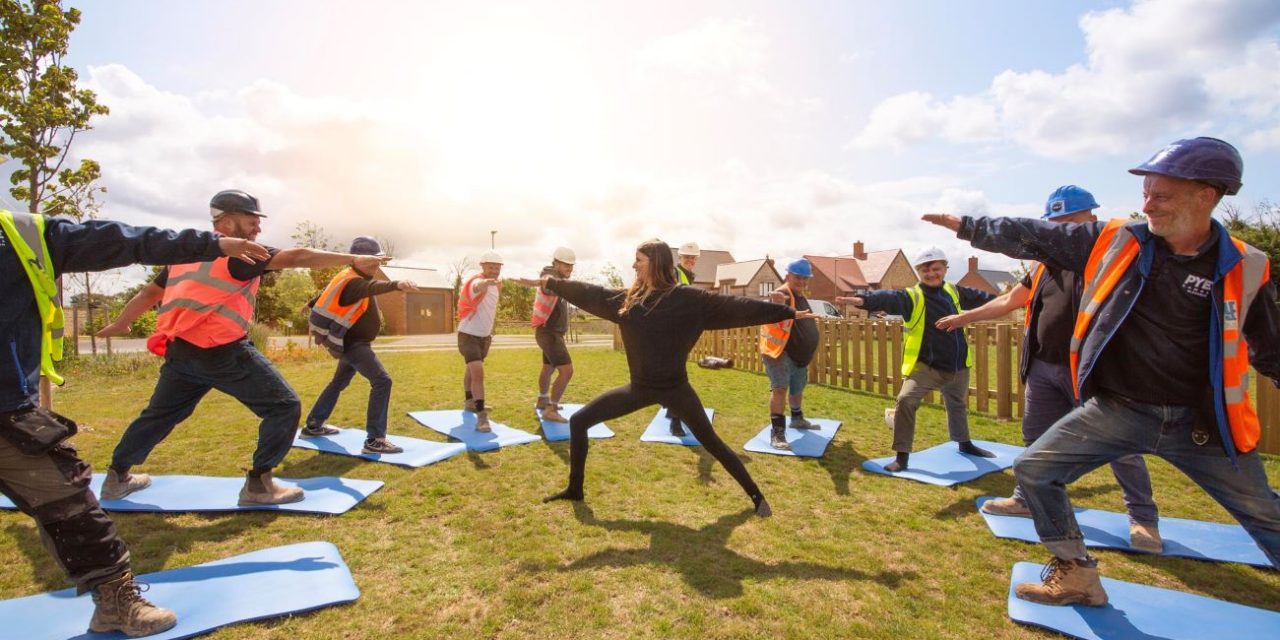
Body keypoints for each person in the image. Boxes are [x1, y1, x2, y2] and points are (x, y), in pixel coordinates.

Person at [924, 136, 1280, 607]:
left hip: (1201, 424)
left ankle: (1142, 519)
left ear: (1206, 195)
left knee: (1264, 515)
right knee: (1033, 469)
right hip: (1122, 409)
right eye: (1145, 193)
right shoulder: (1117, 241)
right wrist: (970, 226)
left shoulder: (1247, 265)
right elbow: (1039, 235)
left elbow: (1269, 346)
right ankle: (1077, 575)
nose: (1148, 204)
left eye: (1162, 195)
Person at [2, 206, 269, 636]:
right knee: (260, 406)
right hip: (200, 353)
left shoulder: (19, 234)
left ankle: (113, 596)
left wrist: (212, 245)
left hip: (5, 411)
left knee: (68, 498)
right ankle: (256, 483)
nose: (257, 226)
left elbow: (128, 240)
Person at [97, 190, 389, 506]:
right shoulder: (240, 255)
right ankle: (259, 485)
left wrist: (122, 323)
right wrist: (353, 259)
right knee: (284, 406)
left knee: (159, 415)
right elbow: (298, 257)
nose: (257, 229)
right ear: (228, 220)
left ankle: (117, 478)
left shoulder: (186, 255)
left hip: (182, 353)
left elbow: (149, 294)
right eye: (252, 221)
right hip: (224, 352)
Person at [935, 186, 1162, 553]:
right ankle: (1026, 499)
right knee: (1036, 439)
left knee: (1121, 447)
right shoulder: (1043, 263)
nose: (1062, 232)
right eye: (1055, 224)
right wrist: (965, 317)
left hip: (1095, 372)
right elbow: (1013, 299)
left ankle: (1143, 519)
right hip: (1043, 367)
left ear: (1091, 218)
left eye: (1069, 222)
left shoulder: (1114, 257)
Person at [519, 239, 813, 516]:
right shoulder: (627, 301)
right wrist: (550, 282)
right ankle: (575, 489)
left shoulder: (689, 300)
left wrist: (785, 312)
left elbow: (740, 307)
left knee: (711, 441)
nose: (634, 266)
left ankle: (757, 497)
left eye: (639, 260)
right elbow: (588, 292)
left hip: (676, 389)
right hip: (639, 389)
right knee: (579, 421)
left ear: (656, 263)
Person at [836, 248, 997, 471]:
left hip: (958, 365)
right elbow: (888, 298)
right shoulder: (912, 296)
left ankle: (965, 443)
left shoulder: (954, 291)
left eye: (936, 269)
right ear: (919, 272)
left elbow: (987, 300)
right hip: (926, 368)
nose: (931, 273)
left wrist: (1011, 299)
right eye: (925, 270)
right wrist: (862, 299)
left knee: (957, 405)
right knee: (906, 401)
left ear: (944, 269)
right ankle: (902, 456)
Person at [304, 236, 419, 454]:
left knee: (338, 383)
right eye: (371, 260)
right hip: (354, 344)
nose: (375, 264)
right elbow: (371, 287)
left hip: (350, 343)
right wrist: (397, 284)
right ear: (355, 260)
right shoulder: (355, 281)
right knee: (382, 381)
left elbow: (331, 291)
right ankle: (375, 439)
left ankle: (314, 424)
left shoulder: (349, 277)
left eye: (377, 260)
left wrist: (311, 302)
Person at [759, 259, 820, 450]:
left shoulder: (800, 295)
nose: (801, 281)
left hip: (797, 355)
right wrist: (774, 302)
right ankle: (777, 434)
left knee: (797, 387)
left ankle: (797, 418)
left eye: (805, 278)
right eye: (797, 277)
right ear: (787, 276)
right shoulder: (784, 293)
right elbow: (772, 304)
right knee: (780, 389)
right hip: (779, 353)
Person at [458, 251, 503, 432]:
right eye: (490, 266)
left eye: (497, 267)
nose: (494, 270)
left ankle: (470, 400)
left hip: (485, 337)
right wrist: (486, 282)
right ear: (482, 266)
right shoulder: (475, 281)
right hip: (468, 335)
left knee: (471, 370)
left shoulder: (497, 286)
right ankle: (481, 416)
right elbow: (478, 286)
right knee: (478, 373)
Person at [532, 247, 576, 423]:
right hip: (549, 333)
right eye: (566, 265)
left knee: (548, 368)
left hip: (548, 333)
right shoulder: (551, 277)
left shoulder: (560, 280)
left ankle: (543, 399)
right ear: (556, 263)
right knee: (567, 371)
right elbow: (548, 283)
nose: (570, 269)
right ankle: (551, 408)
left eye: (572, 266)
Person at [663, 241, 702, 436]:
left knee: (673, 376)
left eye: (693, 257)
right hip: (674, 333)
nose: (690, 260)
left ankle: (674, 414)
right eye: (687, 257)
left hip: (680, 332)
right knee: (676, 378)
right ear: (680, 258)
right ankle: (675, 420)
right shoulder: (676, 274)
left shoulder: (687, 276)